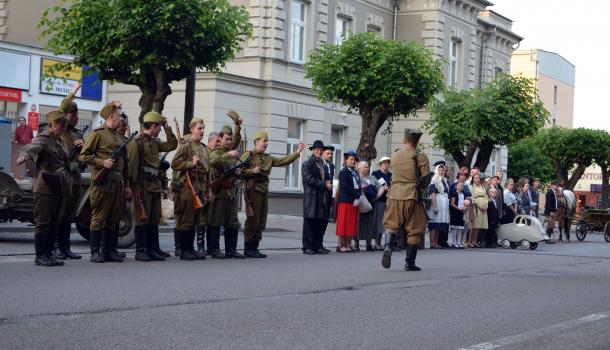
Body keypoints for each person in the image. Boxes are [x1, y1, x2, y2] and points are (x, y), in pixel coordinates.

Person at [16, 110, 71, 266]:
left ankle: (49, 254)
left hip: (59, 186)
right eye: (61, 126)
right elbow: (34, 147)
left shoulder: (59, 140)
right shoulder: (44, 139)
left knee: (54, 222)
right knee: (43, 222)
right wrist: (25, 154)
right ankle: (40, 256)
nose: (63, 129)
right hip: (45, 188)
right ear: (53, 124)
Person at [79, 101, 131, 263]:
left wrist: (127, 184)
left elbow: (125, 163)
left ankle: (110, 250)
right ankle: (95, 251)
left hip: (118, 182)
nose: (122, 119)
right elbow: (83, 156)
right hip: (103, 182)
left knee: (115, 217)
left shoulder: (119, 136)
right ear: (111, 117)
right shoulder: (98, 134)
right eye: (120, 116)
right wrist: (102, 163)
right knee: (99, 217)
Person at [241, 131, 304, 258]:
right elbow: (238, 170)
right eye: (264, 140)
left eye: (267, 141)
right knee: (253, 220)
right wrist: (252, 171)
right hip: (253, 191)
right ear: (256, 141)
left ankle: (255, 247)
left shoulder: (268, 158)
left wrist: (297, 153)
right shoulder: (249, 155)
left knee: (261, 221)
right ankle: (248, 248)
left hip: (264, 191)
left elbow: (283, 161)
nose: (266, 143)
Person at [127, 111, 177, 261]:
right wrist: (133, 187)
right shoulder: (137, 143)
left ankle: (153, 248)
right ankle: (141, 250)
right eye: (160, 127)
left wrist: (168, 128)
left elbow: (172, 145)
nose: (161, 129)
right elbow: (132, 166)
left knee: (155, 217)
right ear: (154, 126)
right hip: (142, 185)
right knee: (142, 218)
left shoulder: (154, 142)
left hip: (154, 185)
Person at [381, 129, 431, 271]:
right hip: (412, 195)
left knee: (391, 224)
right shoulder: (421, 157)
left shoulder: (395, 155)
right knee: (414, 229)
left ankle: (387, 247)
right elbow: (425, 180)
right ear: (417, 141)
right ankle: (410, 263)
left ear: (404, 140)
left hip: (394, 194)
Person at [170, 118, 210, 260]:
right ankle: (184, 249)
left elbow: (207, 171)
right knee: (186, 219)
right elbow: (174, 163)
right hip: (188, 187)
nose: (202, 131)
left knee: (195, 220)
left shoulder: (204, 148)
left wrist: (207, 191)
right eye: (200, 128)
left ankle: (191, 248)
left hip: (200, 187)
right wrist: (190, 163)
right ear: (192, 129)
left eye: (203, 128)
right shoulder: (186, 146)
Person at [53, 83, 84, 260]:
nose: (76, 117)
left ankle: (66, 247)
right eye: (73, 114)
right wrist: (73, 92)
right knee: (61, 212)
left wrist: (84, 146)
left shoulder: (78, 134)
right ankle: (57, 247)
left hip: (75, 178)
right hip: (63, 177)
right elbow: (62, 108)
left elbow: (84, 158)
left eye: (77, 114)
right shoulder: (62, 131)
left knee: (70, 214)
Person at [208, 116, 245, 259]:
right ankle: (214, 249)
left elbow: (236, 140)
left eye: (230, 139)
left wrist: (237, 173)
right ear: (220, 139)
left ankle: (231, 249)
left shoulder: (231, 153)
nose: (229, 142)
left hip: (231, 192)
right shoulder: (217, 152)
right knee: (216, 221)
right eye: (226, 139)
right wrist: (228, 154)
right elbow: (213, 161)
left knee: (233, 221)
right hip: (219, 192)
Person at [301, 140, 332, 254]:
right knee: (309, 222)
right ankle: (307, 247)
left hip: (321, 198)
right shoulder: (307, 163)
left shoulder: (323, 165)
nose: (319, 151)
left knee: (319, 222)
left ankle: (318, 245)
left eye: (321, 150)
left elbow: (328, 177)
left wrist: (329, 182)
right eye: (317, 149)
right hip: (311, 198)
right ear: (313, 150)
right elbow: (309, 180)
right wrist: (325, 184)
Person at [335, 151, 361, 253]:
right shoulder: (343, 172)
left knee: (351, 223)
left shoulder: (355, 172)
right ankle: (340, 245)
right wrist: (357, 194)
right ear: (346, 160)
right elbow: (345, 187)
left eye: (354, 159)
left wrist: (359, 194)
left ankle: (348, 245)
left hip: (354, 201)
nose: (353, 161)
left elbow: (358, 185)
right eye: (351, 159)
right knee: (343, 223)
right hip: (345, 200)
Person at [355, 161, 382, 251]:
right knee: (359, 223)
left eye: (367, 167)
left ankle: (369, 244)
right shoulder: (357, 177)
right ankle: (356, 243)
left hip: (373, 203)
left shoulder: (372, 177)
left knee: (371, 223)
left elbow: (381, 187)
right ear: (359, 168)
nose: (367, 168)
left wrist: (377, 196)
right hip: (361, 203)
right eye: (364, 167)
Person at [428, 164, 450, 249]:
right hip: (437, 201)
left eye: (443, 170)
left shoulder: (444, 180)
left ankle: (436, 242)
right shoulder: (433, 180)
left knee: (439, 224)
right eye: (440, 170)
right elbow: (432, 193)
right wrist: (434, 206)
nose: (441, 172)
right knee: (434, 223)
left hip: (443, 203)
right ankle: (432, 243)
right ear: (437, 170)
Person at [371, 156, 391, 250]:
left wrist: (389, 189)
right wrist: (382, 189)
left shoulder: (390, 175)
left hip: (388, 201)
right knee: (377, 221)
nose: (385, 164)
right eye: (384, 162)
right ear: (380, 164)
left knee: (384, 223)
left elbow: (393, 186)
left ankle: (383, 242)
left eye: (387, 162)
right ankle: (376, 243)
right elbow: (372, 185)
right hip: (378, 200)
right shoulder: (375, 174)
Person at [320, 145, 335, 252]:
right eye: (328, 153)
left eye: (331, 154)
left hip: (329, 195)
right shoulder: (320, 164)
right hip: (321, 195)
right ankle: (317, 243)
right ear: (323, 153)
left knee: (325, 219)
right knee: (320, 220)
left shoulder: (332, 166)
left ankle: (320, 243)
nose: (330, 155)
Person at [468, 174, 488, 248]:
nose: (477, 179)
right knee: (473, 225)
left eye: (478, 178)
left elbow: (486, 196)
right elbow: (471, 198)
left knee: (478, 226)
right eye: (476, 178)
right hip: (475, 207)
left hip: (483, 207)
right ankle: (470, 241)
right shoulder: (471, 187)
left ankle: (475, 241)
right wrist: (479, 205)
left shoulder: (482, 187)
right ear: (473, 179)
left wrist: (486, 205)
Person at [449, 181, 467, 249]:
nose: (460, 187)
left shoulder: (463, 194)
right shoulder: (454, 193)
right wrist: (459, 209)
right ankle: (454, 243)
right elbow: (452, 203)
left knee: (460, 228)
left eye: (462, 186)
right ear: (456, 186)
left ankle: (459, 242)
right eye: (459, 186)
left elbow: (464, 203)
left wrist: (464, 208)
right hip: (455, 212)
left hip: (461, 212)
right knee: (455, 228)